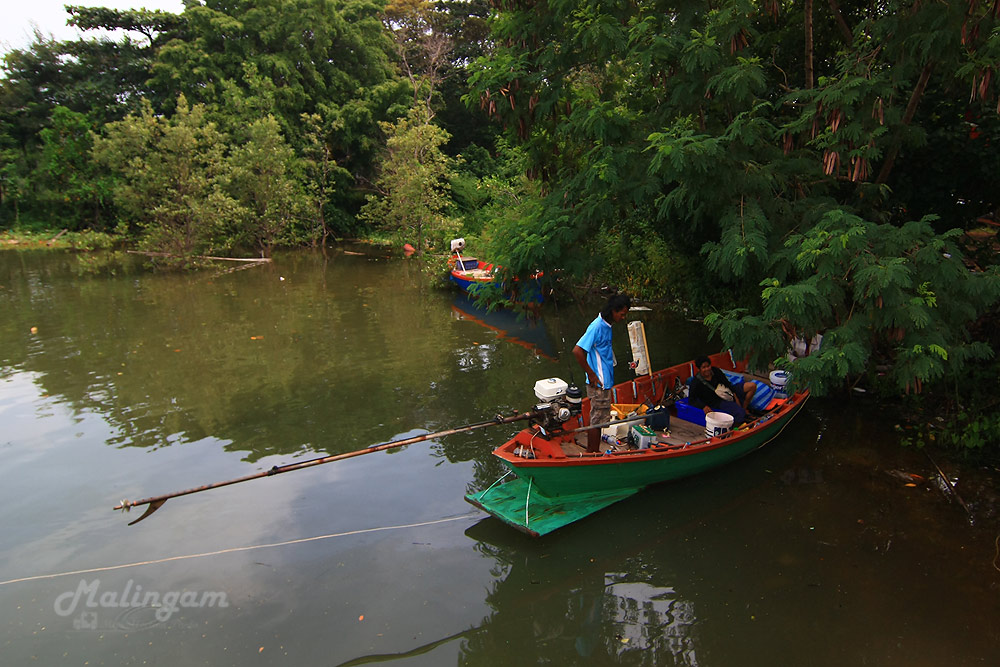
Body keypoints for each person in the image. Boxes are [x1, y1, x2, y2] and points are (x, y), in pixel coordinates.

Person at [573, 293, 631, 452]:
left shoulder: (607, 325)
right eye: (622, 313)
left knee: (601, 420)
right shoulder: (597, 326)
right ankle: (592, 453)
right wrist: (591, 374)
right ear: (613, 310)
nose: (623, 317)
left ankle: (594, 452)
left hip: (605, 383)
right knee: (597, 421)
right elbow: (577, 351)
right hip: (598, 383)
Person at [687, 355, 757, 425]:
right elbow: (691, 399)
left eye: (708, 366)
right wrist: (703, 406)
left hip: (727, 391)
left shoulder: (715, 371)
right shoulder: (696, 382)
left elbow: (727, 384)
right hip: (717, 401)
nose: (707, 369)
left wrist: (735, 396)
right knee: (738, 412)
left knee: (752, 386)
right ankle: (741, 419)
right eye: (704, 367)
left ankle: (744, 409)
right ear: (699, 369)